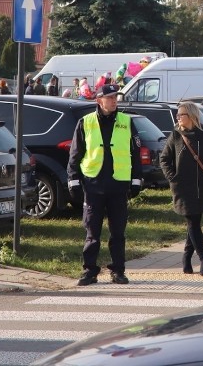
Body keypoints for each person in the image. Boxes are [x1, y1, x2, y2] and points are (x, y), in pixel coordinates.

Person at [67, 83, 143, 286]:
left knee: (118, 232)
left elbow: (136, 154)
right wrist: (73, 181)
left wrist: (136, 180)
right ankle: (89, 271)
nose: (114, 101)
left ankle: (118, 271)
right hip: (93, 185)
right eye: (109, 97)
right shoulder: (86, 122)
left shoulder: (126, 122)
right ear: (98, 100)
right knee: (92, 232)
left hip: (118, 185)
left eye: (115, 97)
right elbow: (75, 154)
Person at [160, 102, 203, 276]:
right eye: (178, 115)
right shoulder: (176, 135)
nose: (178, 118)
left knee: (193, 223)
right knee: (193, 222)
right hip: (182, 189)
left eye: (181, 115)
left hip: (201, 188)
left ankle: (186, 258)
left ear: (192, 116)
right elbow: (164, 159)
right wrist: (173, 177)